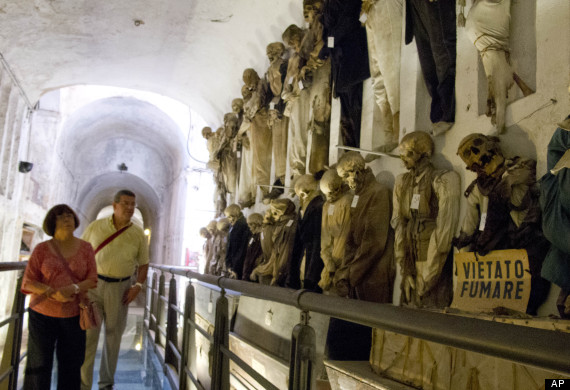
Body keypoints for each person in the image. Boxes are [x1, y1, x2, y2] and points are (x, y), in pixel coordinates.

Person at [21, 204, 97, 390]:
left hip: (73, 315)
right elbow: (28, 282)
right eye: (61, 216)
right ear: (52, 221)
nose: (67, 219)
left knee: (71, 365)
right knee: (39, 364)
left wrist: (74, 287)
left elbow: (92, 279)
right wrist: (53, 293)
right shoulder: (41, 249)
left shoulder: (86, 248)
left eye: (70, 215)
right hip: (42, 315)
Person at [80, 189, 149, 390]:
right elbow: (83, 253)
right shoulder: (96, 227)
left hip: (121, 288)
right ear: (115, 205)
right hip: (93, 286)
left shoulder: (137, 234)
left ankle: (106, 383)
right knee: (89, 336)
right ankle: (84, 384)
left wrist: (138, 286)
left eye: (133, 204)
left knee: (113, 337)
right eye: (126, 203)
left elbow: (144, 263)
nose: (129, 208)